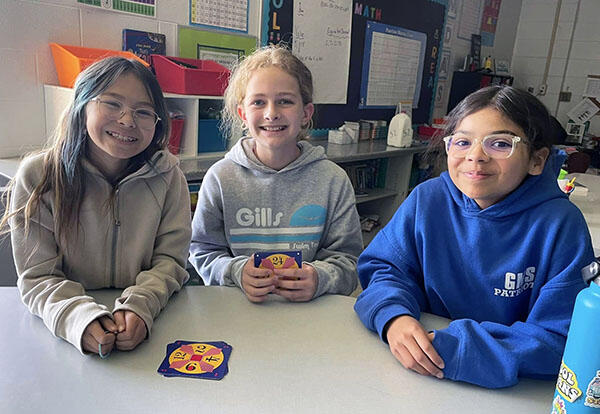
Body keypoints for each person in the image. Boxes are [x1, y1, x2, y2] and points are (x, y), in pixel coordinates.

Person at [354, 85, 595, 388]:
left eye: (500, 143)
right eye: (463, 141)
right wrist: (394, 318)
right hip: (419, 372)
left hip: (513, 387)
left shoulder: (560, 225)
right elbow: (384, 269)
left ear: (537, 160)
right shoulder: (427, 200)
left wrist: (463, 349)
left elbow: (563, 335)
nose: (476, 156)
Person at [1, 57, 191, 356]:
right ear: (81, 105)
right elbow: (37, 277)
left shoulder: (169, 177)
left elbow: (169, 262)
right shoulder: (38, 176)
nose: (127, 120)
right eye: (112, 104)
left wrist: (141, 306)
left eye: (143, 112)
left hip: (149, 330)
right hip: (61, 338)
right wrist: (78, 319)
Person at [189, 45, 362, 302]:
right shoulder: (220, 178)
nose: (271, 113)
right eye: (259, 102)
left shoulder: (333, 180)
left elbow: (350, 261)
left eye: (285, 101)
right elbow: (202, 252)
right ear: (243, 114)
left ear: (306, 113)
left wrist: (320, 277)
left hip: (310, 312)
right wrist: (235, 271)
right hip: (237, 309)